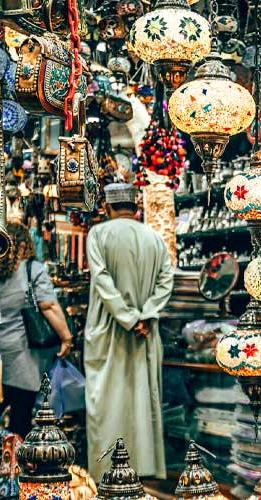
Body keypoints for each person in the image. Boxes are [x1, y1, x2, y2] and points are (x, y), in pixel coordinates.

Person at [85, 183, 174, 480]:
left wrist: (127, 317)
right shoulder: (154, 238)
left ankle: (106, 471)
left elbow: (102, 281)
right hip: (145, 333)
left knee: (107, 403)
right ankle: (142, 468)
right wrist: (145, 315)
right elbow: (166, 280)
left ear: (108, 208)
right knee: (140, 401)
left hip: (110, 331)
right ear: (135, 207)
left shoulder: (98, 234)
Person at [0, 221, 74, 438]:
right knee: (21, 415)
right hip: (22, 356)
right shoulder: (32, 269)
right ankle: (14, 463)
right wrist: (66, 338)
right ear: (26, 244)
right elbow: (49, 305)